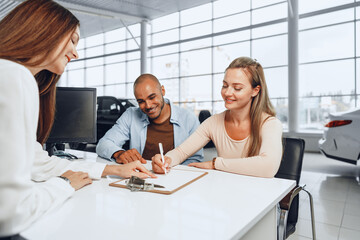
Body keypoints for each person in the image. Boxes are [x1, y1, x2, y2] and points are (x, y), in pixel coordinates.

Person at [0, 1, 154, 238]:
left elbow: (37, 162)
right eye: (72, 40)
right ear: (44, 30)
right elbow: (10, 213)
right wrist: (63, 184)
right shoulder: (15, 76)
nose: (75, 52)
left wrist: (114, 170)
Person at [152, 57, 283, 178]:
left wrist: (215, 164)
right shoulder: (214, 122)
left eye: (237, 88)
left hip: (261, 197)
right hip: (227, 193)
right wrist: (166, 160)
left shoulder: (270, 124)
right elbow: (181, 152)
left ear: (255, 90)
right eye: (225, 85)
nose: (227, 92)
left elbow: (268, 167)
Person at [96, 73, 203, 165]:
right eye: (141, 101)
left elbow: (195, 160)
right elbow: (103, 144)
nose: (148, 105)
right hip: (140, 179)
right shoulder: (130, 115)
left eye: (152, 97)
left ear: (163, 90)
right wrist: (119, 153)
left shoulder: (188, 119)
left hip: (176, 179)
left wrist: (170, 168)